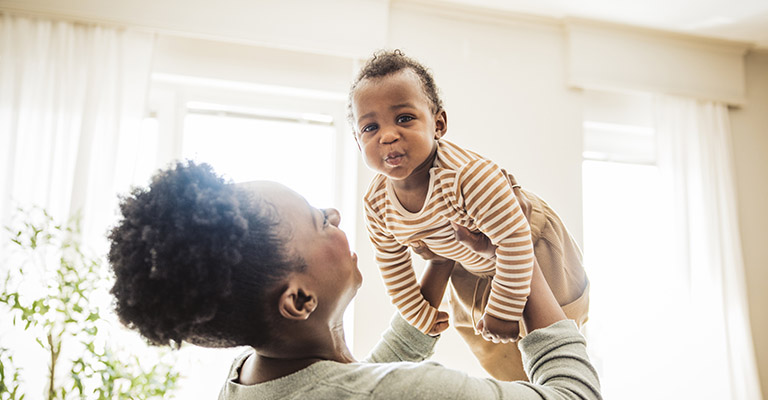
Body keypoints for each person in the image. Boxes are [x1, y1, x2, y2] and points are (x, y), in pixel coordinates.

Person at [107, 161, 601, 399]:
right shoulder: (410, 394)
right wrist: (513, 249)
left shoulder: (247, 379)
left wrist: (445, 251)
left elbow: (354, 380)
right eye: (318, 220)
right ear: (299, 299)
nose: (335, 212)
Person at [349, 49, 590, 380]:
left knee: (550, 335)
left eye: (404, 118)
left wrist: (504, 307)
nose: (388, 135)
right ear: (357, 141)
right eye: (370, 127)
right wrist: (418, 313)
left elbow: (514, 237)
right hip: (465, 259)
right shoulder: (376, 202)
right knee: (496, 354)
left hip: (529, 240)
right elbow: (392, 263)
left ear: (438, 124)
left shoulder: (467, 176)